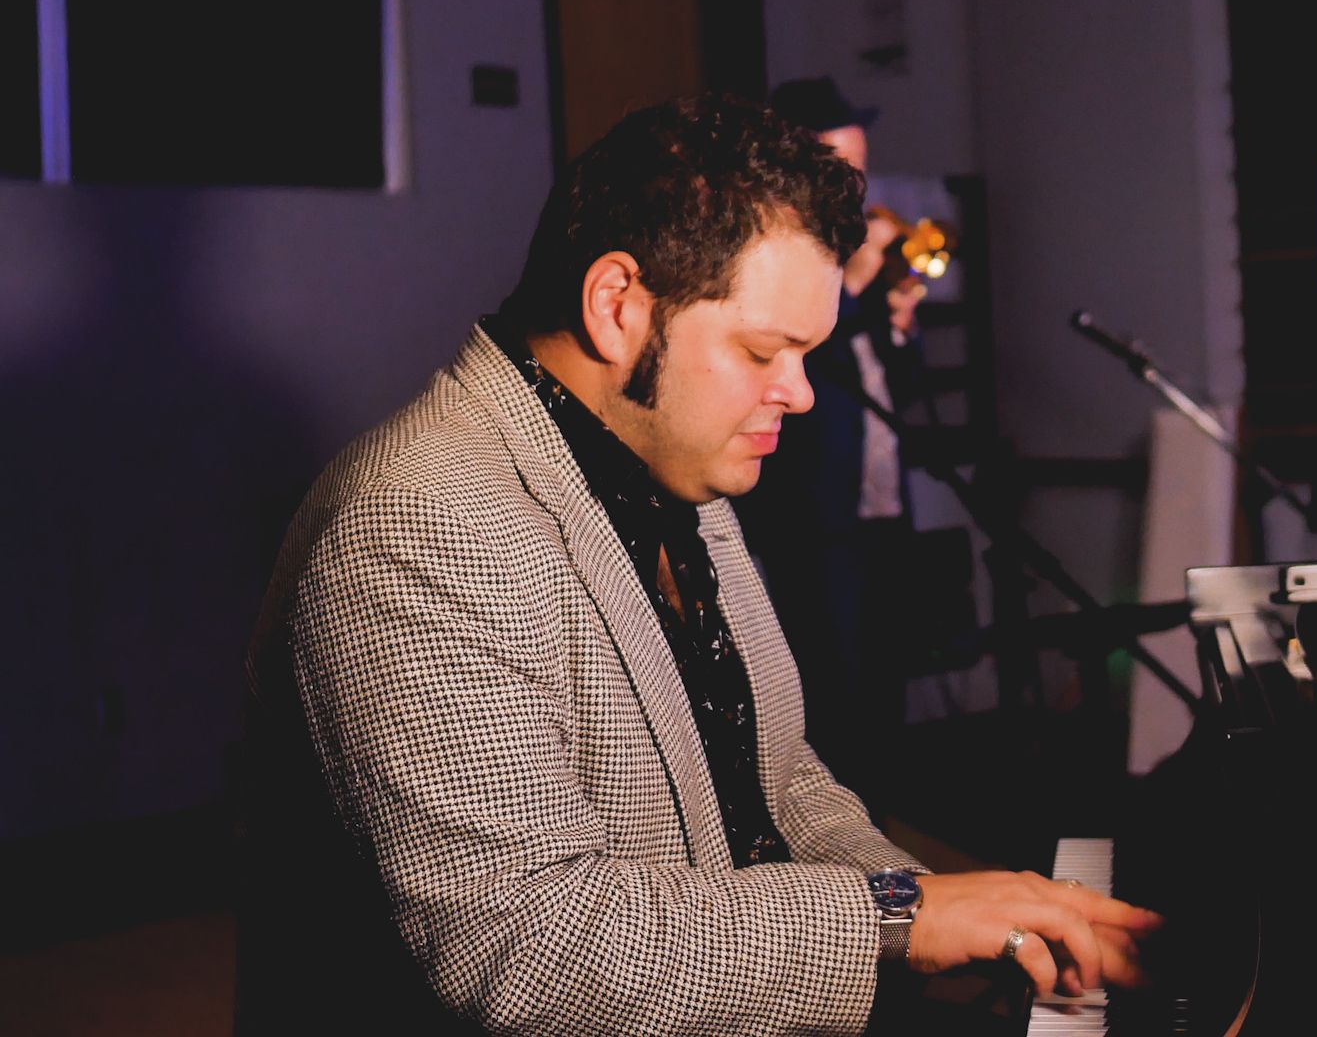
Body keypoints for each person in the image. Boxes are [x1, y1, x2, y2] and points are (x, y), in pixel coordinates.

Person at [238, 92, 1158, 1035]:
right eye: (765, 350)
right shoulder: (423, 521)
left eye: (808, 355)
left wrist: (945, 915)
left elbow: (781, 779)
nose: (798, 395)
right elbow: (526, 945)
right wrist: (899, 922)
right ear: (618, 308)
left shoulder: (671, 457)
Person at [737, 76, 928, 817]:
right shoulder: (776, 260)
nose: (854, 186)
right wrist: (849, 285)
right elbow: (804, 372)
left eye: (860, 168)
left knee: (887, 673)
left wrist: (900, 320)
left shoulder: (860, 271)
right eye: (836, 168)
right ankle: (845, 854)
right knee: (833, 683)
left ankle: (892, 831)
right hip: (817, 513)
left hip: (880, 499)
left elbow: (891, 386)